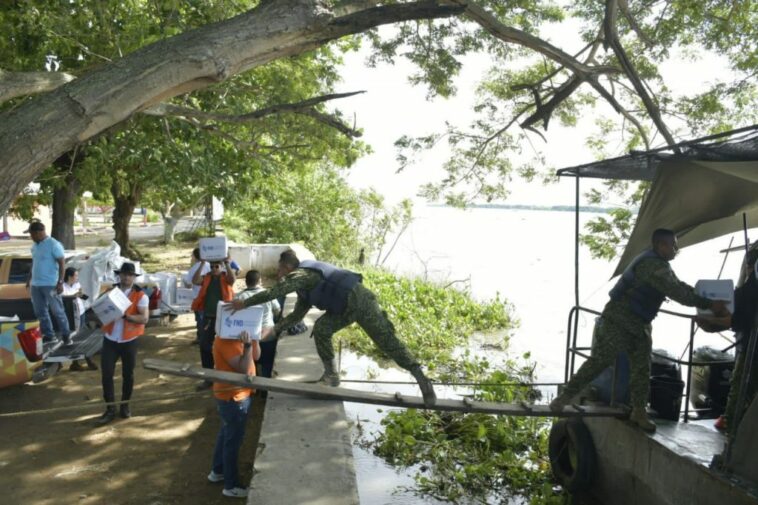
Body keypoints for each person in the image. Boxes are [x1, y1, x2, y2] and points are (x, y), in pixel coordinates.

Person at [550, 229, 729, 432]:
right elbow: (679, 293)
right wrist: (709, 304)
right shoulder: (651, 265)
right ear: (661, 245)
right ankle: (564, 397)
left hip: (640, 324)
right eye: (673, 245)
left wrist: (707, 302)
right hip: (619, 320)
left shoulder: (661, 265)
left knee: (642, 369)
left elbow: (679, 286)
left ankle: (638, 411)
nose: (676, 249)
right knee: (600, 361)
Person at [227, 250, 437, 407]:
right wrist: (274, 330)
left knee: (387, 341)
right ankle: (331, 377)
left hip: (361, 301)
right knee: (322, 328)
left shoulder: (301, 275)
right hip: (344, 308)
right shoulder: (303, 288)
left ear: (288, 267)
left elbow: (274, 292)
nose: (279, 272)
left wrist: (244, 303)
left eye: (280, 268)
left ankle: (421, 377)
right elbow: (297, 315)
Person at [207, 330, 260, 499]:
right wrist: (247, 345)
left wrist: (255, 338)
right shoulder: (225, 340)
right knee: (233, 440)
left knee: (226, 433)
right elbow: (244, 368)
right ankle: (231, 485)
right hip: (233, 397)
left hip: (238, 395)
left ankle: (218, 470)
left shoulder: (237, 336)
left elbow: (256, 357)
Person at [96, 262, 148, 425]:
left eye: (129, 274)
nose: (126, 277)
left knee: (128, 375)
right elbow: (99, 310)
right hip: (111, 339)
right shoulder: (111, 291)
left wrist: (126, 316)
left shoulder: (141, 295)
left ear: (134, 276)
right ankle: (110, 409)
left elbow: (144, 318)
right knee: (106, 374)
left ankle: (125, 405)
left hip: (129, 340)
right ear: (119, 275)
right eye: (124, 274)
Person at [192, 256, 236, 390]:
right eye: (212, 266)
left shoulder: (225, 277)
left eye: (217, 266)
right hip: (208, 317)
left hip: (224, 317)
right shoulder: (206, 277)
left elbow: (232, 280)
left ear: (221, 266)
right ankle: (209, 378)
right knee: (205, 345)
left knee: (227, 346)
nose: (214, 269)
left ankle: (228, 378)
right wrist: (202, 263)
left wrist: (227, 264)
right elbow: (194, 280)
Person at [26, 221, 71, 346]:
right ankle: (49, 335)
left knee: (57, 311)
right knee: (40, 311)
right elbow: (34, 263)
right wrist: (29, 279)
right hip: (35, 284)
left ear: (39, 233)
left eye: (32, 234)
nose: (31, 237)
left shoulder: (54, 244)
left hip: (50, 284)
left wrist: (60, 282)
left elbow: (62, 264)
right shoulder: (35, 246)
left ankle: (66, 335)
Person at [235, 270, 280, 380]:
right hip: (268, 334)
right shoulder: (268, 294)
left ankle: (255, 386)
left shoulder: (240, 297)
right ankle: (265, 390)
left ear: (246, 282)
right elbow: (278, 310)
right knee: (267, 363)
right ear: (259, 281)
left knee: (252, 362)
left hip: (249, 337)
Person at [62, 267, 98, 371]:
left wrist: (85, 296)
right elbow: (63, 300)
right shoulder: (63, 287)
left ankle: (85, 360)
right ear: (69, 276)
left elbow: (80, 295)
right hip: (71, 316)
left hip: (81, 312)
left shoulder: (77, 284)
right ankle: (77, 362)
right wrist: (75, 295)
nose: (77, 278)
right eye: (76, 276)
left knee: (82, 337)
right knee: (76, 338)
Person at [182, 248, 210, 345]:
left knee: (200, 319)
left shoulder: (194, 268)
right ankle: (205, 338)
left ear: (195, 256)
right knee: (207, 318)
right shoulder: (210, 265)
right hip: (208, 297)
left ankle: (201, 339)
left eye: (192, 255)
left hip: (198, 297)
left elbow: (189, 284)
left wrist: (184, 282)